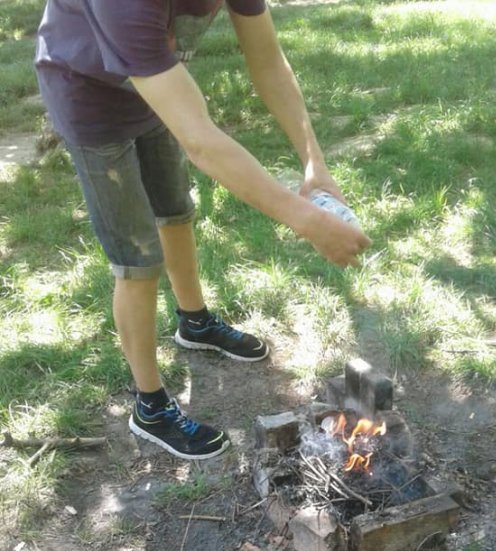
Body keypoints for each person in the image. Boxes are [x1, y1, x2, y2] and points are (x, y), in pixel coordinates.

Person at [34, 0, 371, 460]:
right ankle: (150, 407)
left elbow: (269, 62)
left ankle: (195, 322)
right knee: (137, 261)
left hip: (156, 88)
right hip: (88, 98)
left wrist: (315, 165)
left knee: (175, 212)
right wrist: (307, 220)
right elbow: (202, 143)